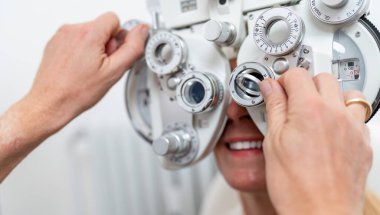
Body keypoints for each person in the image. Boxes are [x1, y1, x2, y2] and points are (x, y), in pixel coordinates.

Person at [0, 12, 375, 214]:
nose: (234, 109)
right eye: (206, 84)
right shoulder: (220, 203)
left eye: (261, 84)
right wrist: (39, 110)